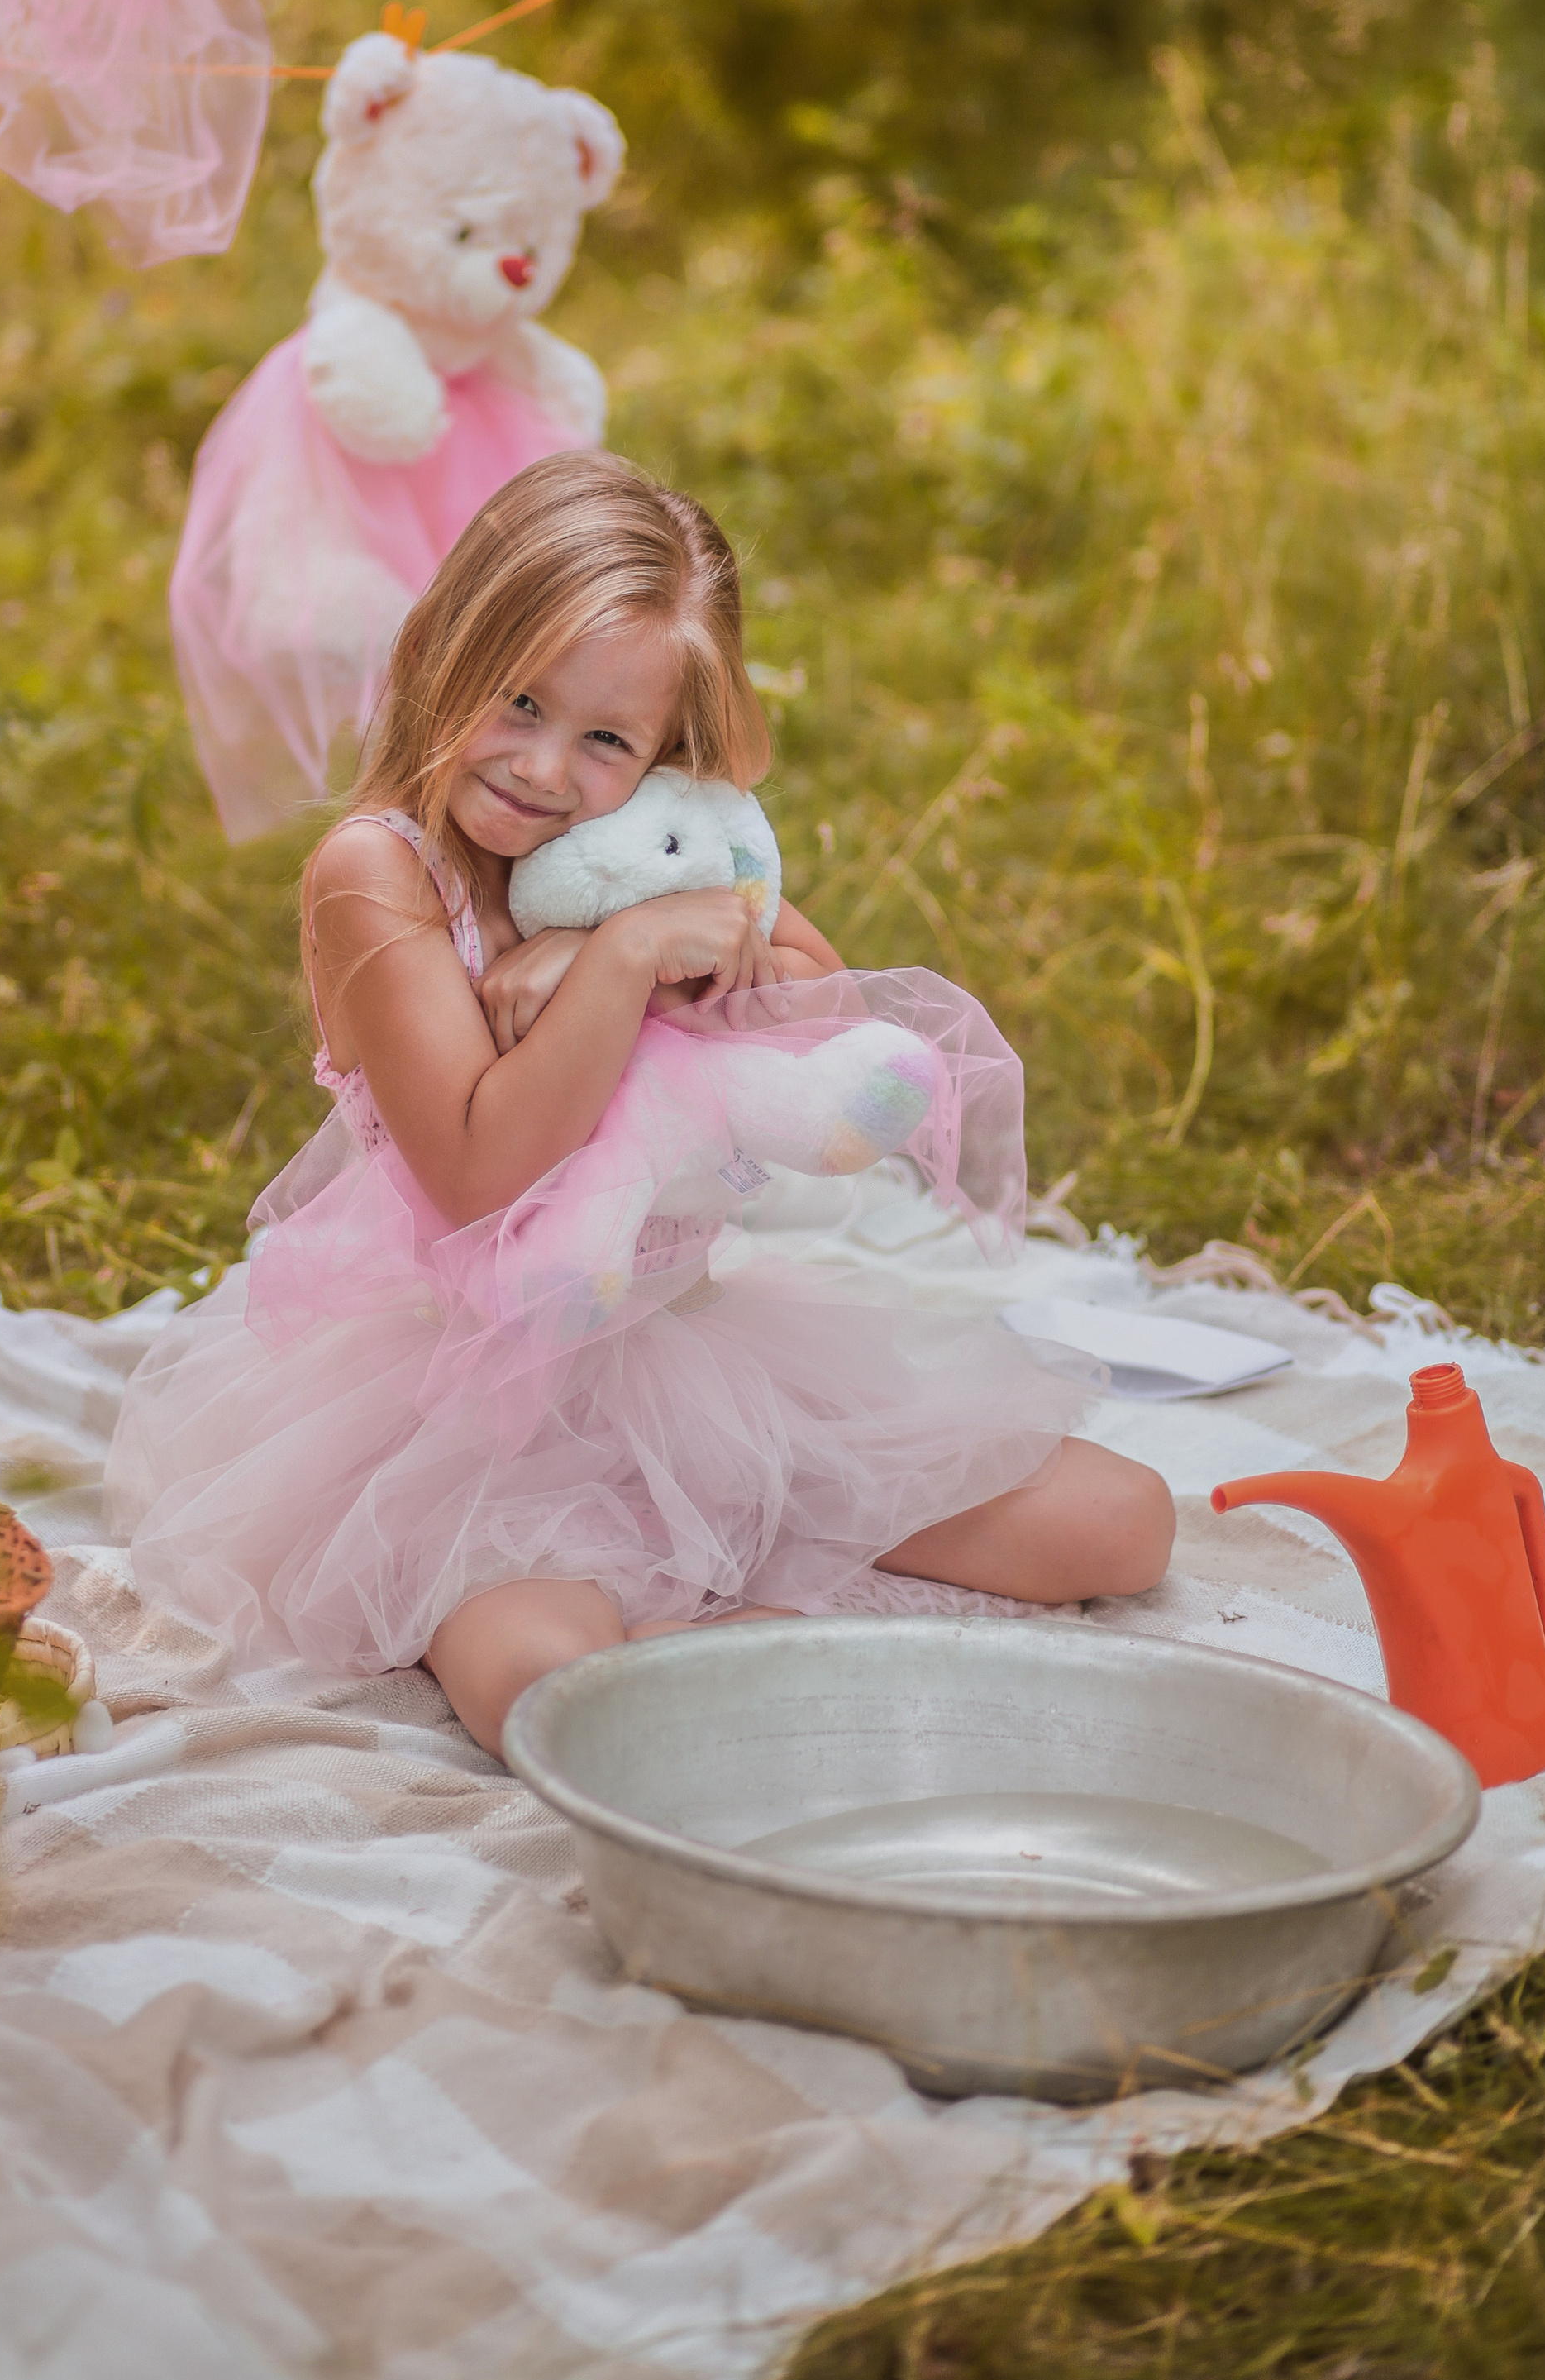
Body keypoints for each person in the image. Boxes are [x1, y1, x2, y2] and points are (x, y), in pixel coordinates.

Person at [107, 453, 1174, 1755]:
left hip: (689, 1352)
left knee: (1120, 1522)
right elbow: (480, 1166)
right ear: (441, 652)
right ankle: (717, 1639)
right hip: (467, 1404)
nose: (545, 767)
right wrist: (625, 957)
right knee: (546, 1679)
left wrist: (662, 917)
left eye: (607, 739)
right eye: (519, 701)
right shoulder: (378, 872)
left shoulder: (637, 853)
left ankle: (722, 1600)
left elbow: (831, 1010)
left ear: (667, 756)